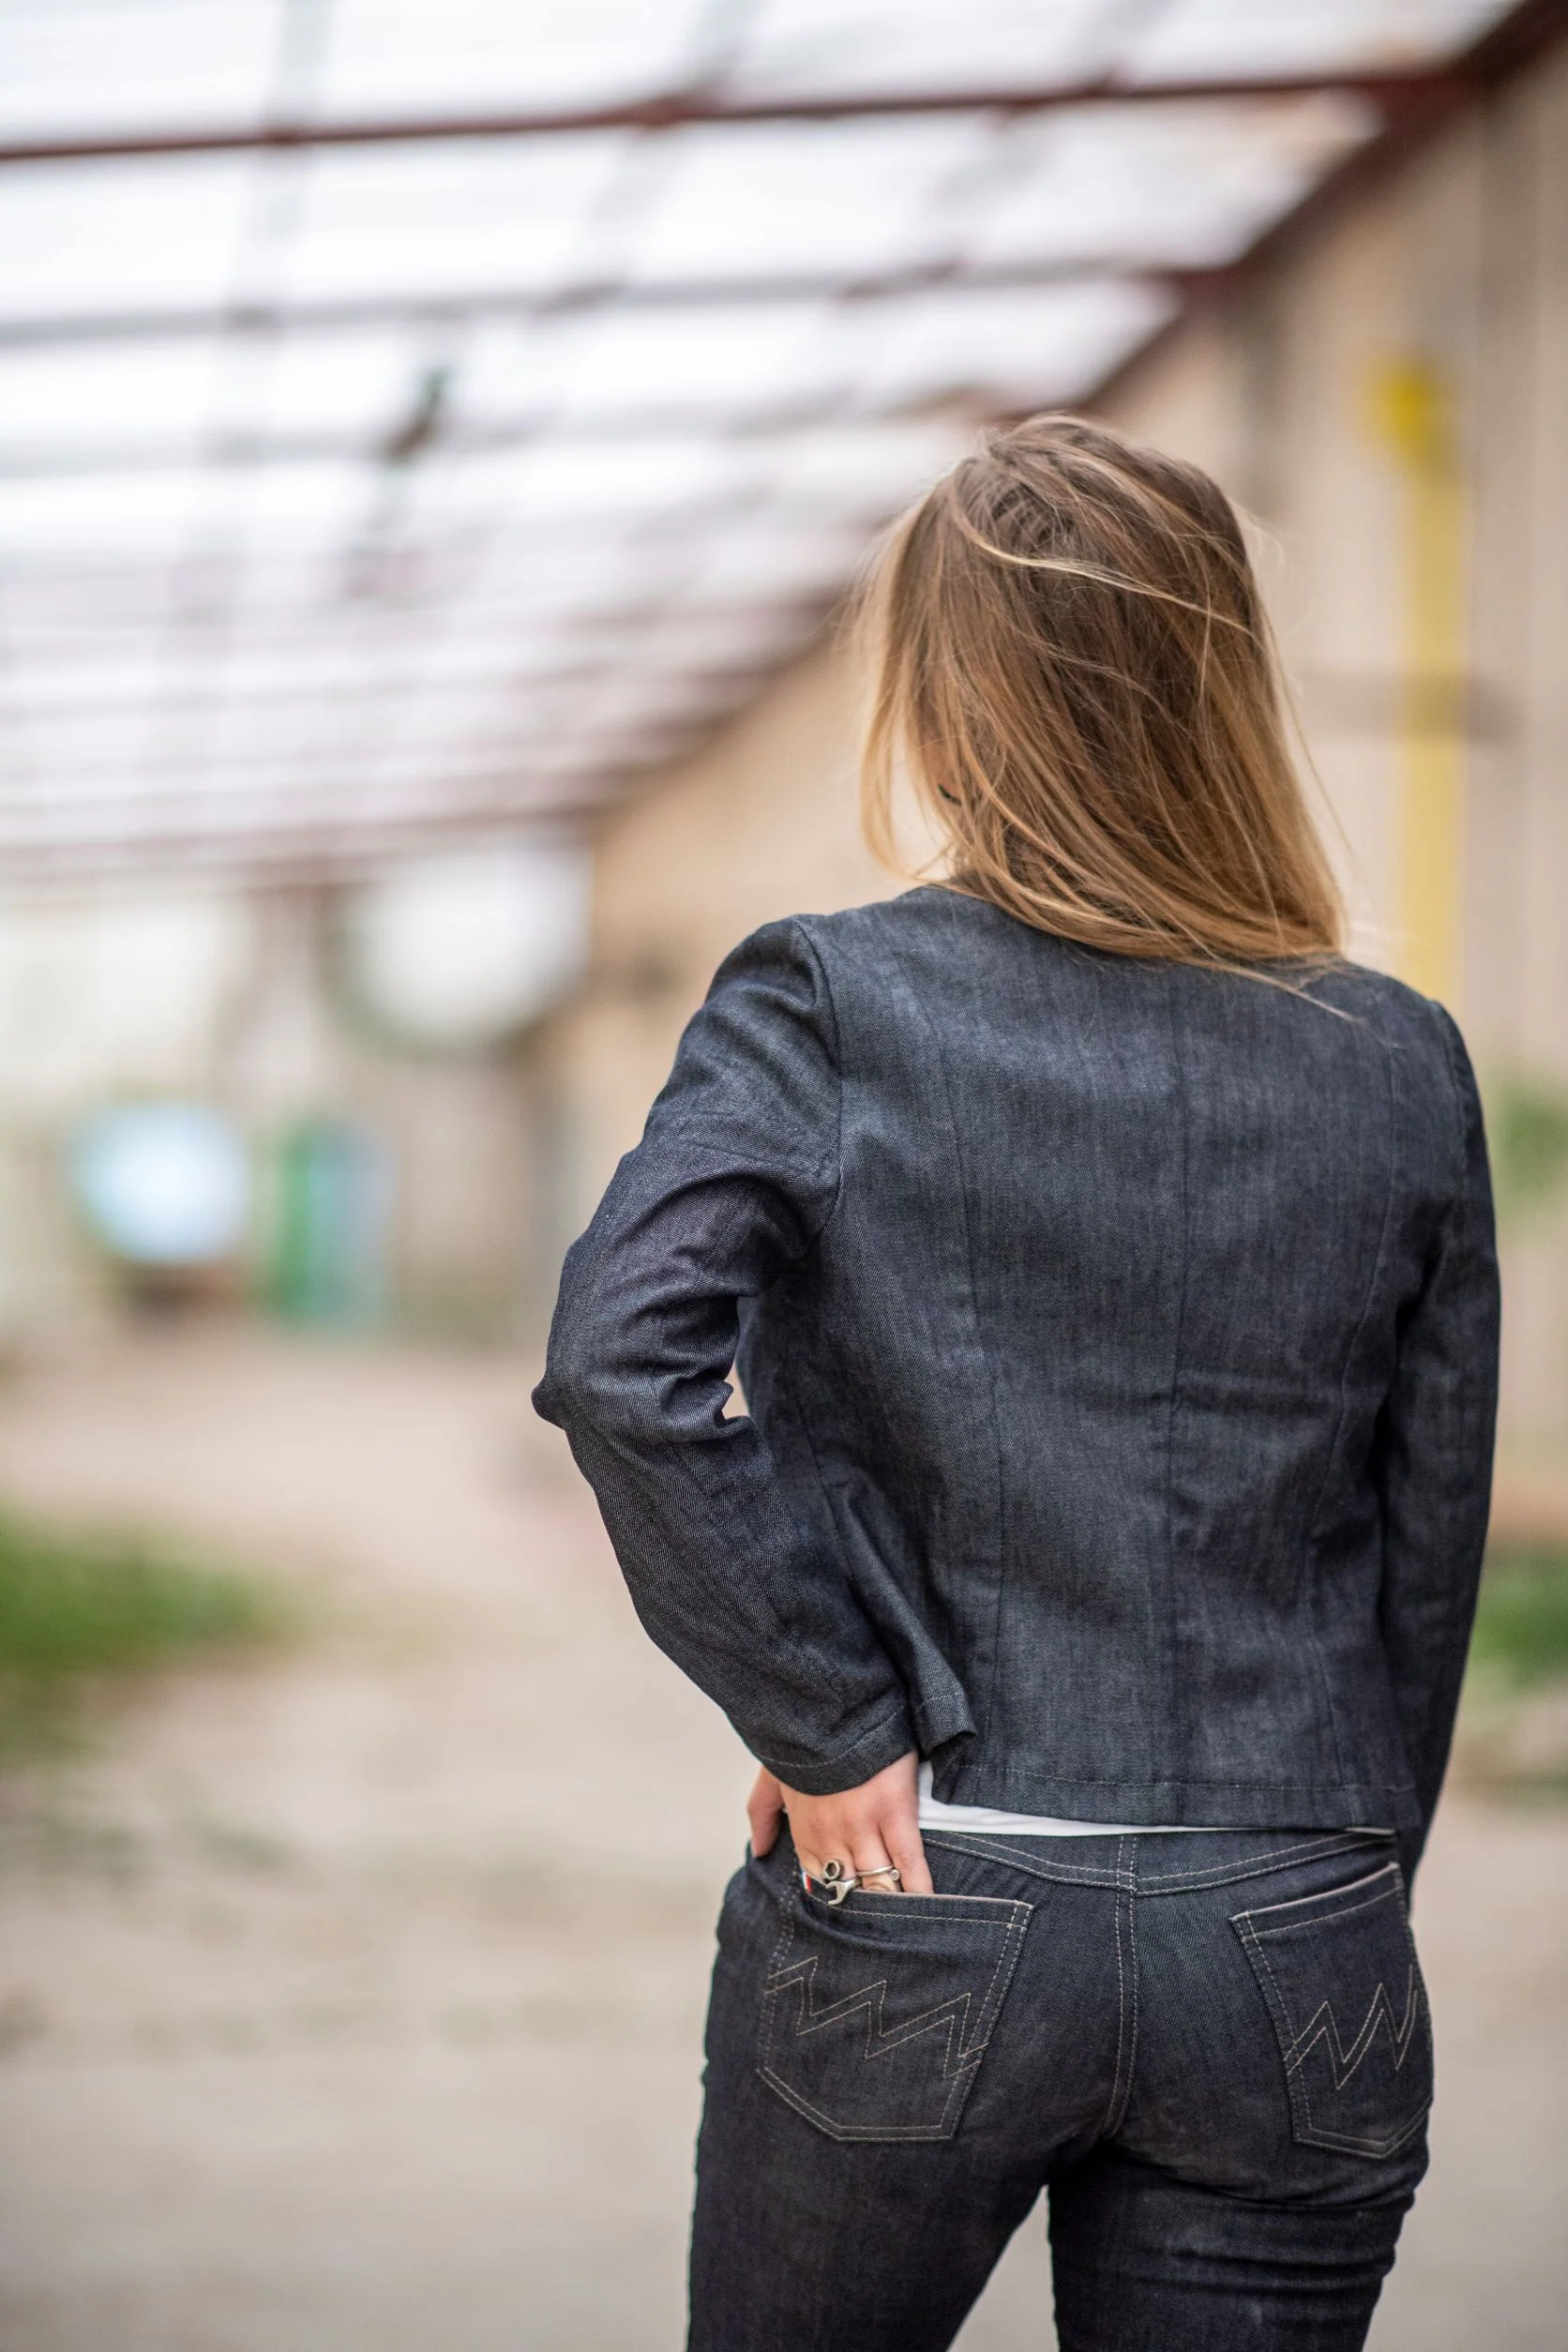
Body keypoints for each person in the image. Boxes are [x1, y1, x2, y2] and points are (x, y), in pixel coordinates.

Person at [534, 415, 1500, 2352]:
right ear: (1223, 685)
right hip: (1288, 1908)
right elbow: (1428, 1519)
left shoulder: (828, 1000)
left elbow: (624, 1357)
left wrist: (827, 1715)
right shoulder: (1398, 1054)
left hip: (928, 1889)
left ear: (940, 697)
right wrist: (1328, 1862)